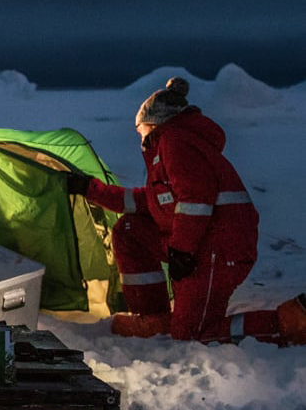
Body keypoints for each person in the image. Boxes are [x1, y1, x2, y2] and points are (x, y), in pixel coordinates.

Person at [68, 77, 306, 345]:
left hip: (218, 250)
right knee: (130, 229)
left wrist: (182, 251)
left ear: (152, 124)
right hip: (198, 246)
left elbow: (196, 199)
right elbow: (151, 201)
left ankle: (294, 322)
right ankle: (154, 318)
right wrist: (91, 190)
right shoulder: (171, 145)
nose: (140, 138)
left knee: (192, 334)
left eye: (141, 131)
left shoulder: (174, 142)